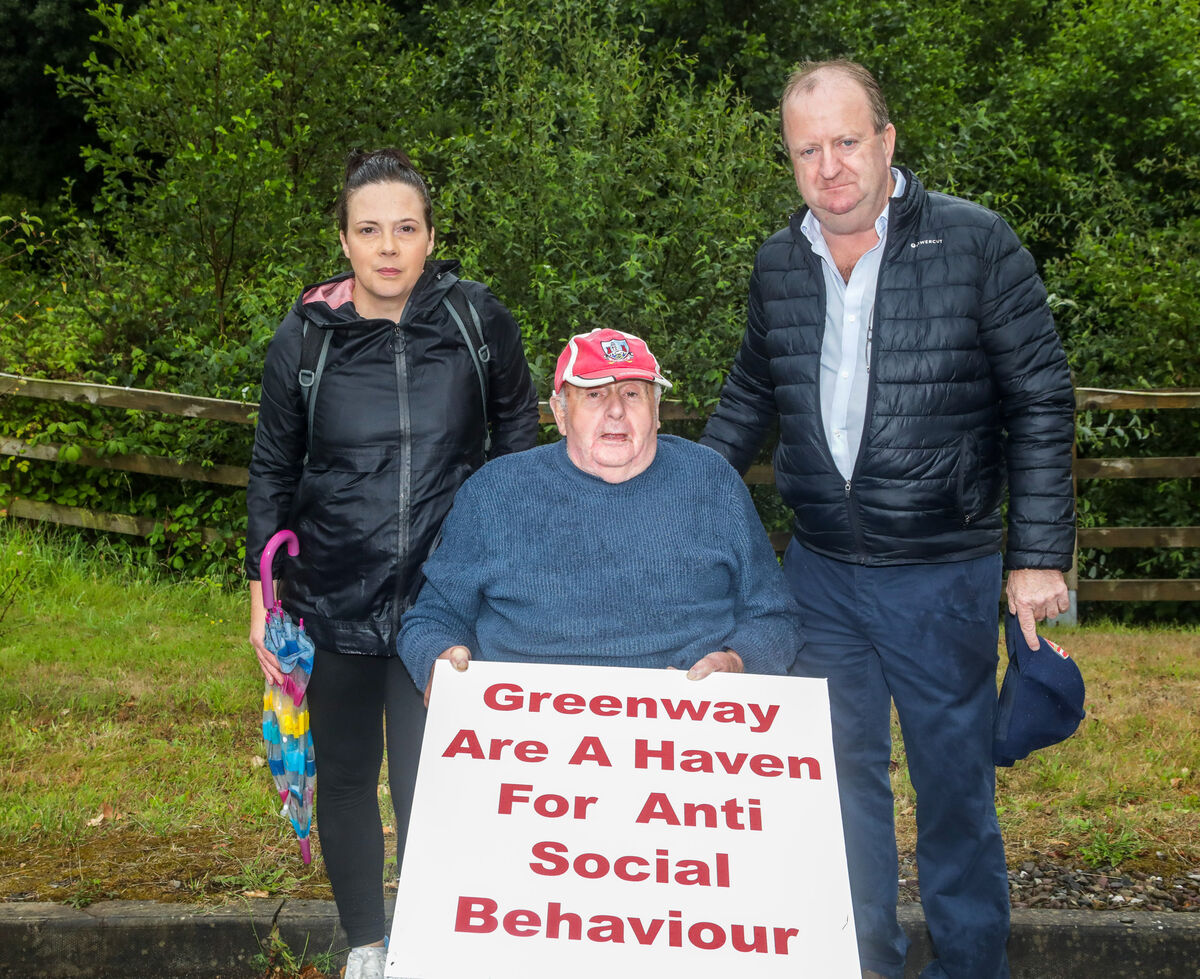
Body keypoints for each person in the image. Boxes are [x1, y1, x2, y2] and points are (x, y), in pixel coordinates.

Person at [699, 61, 1075, 979]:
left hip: (941, 572)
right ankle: (858, 962)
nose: (830, 166)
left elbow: (1041, 398)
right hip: (820, 574)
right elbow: (750, 395)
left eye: (847, 141)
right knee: (833, 790)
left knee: (955, 795)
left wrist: (1035, 554)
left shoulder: (977, 243)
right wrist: (680, 500)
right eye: (807, 149)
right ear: (789, 161)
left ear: (887, 141)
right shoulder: (777, 262)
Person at [246, 149, 539, 979]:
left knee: (430, 786)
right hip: (328, 597)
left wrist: (506, 570)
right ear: (343, 240)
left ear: (430, 237)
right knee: (344, 776)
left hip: (441, 609)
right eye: (368, 229)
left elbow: (519, 449)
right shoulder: (305, 338)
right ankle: (367, 945)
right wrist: (260, 595)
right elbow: (272, 467)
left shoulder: (479, 322)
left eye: (404, 229)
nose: (387, 247)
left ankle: (425, 942)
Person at [398, 327, 800, 699]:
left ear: (656, 410)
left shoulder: (711, 482)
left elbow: (774, 616)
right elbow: (432, 619)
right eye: (593, 394)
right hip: (530, 731)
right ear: (559, 413)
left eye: (632, 394)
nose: (615, 412)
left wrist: (738, 661)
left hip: (685, 727)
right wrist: (438, 661)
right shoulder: (495, 493)